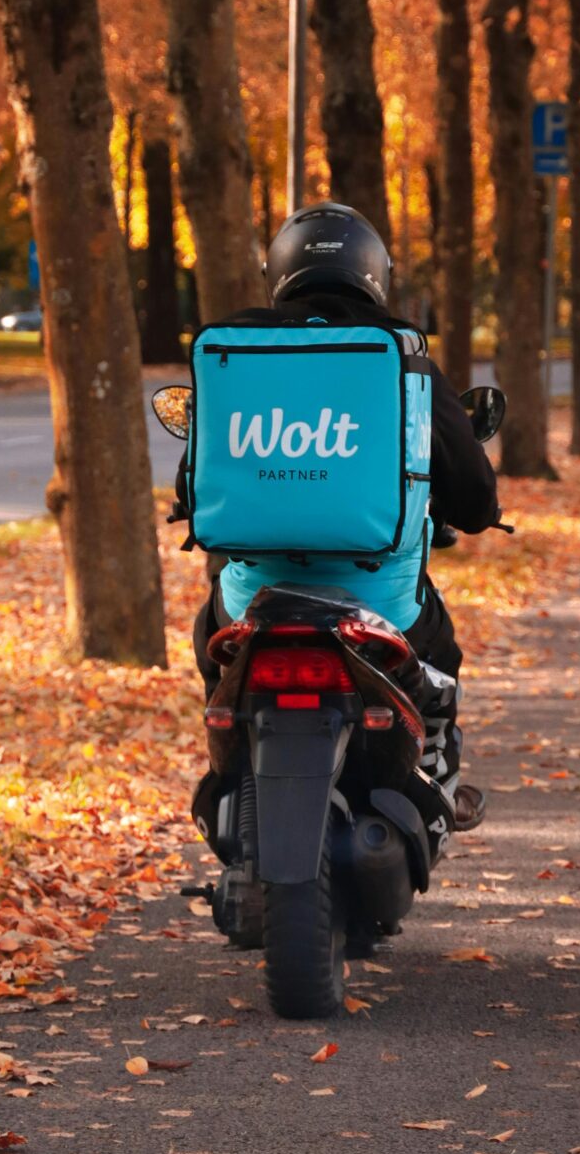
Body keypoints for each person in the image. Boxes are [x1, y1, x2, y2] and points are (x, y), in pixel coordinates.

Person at [181, 203, 502, 828]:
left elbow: (192, 483)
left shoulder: (237, 352)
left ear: (279, 272)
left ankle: (228, 761)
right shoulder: (406, 363)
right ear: (374, 274)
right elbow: (473, 498)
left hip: (253, 601)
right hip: (382, 604)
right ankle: (435, 761)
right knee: (442, 655)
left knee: (208, 638)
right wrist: (477, 512)